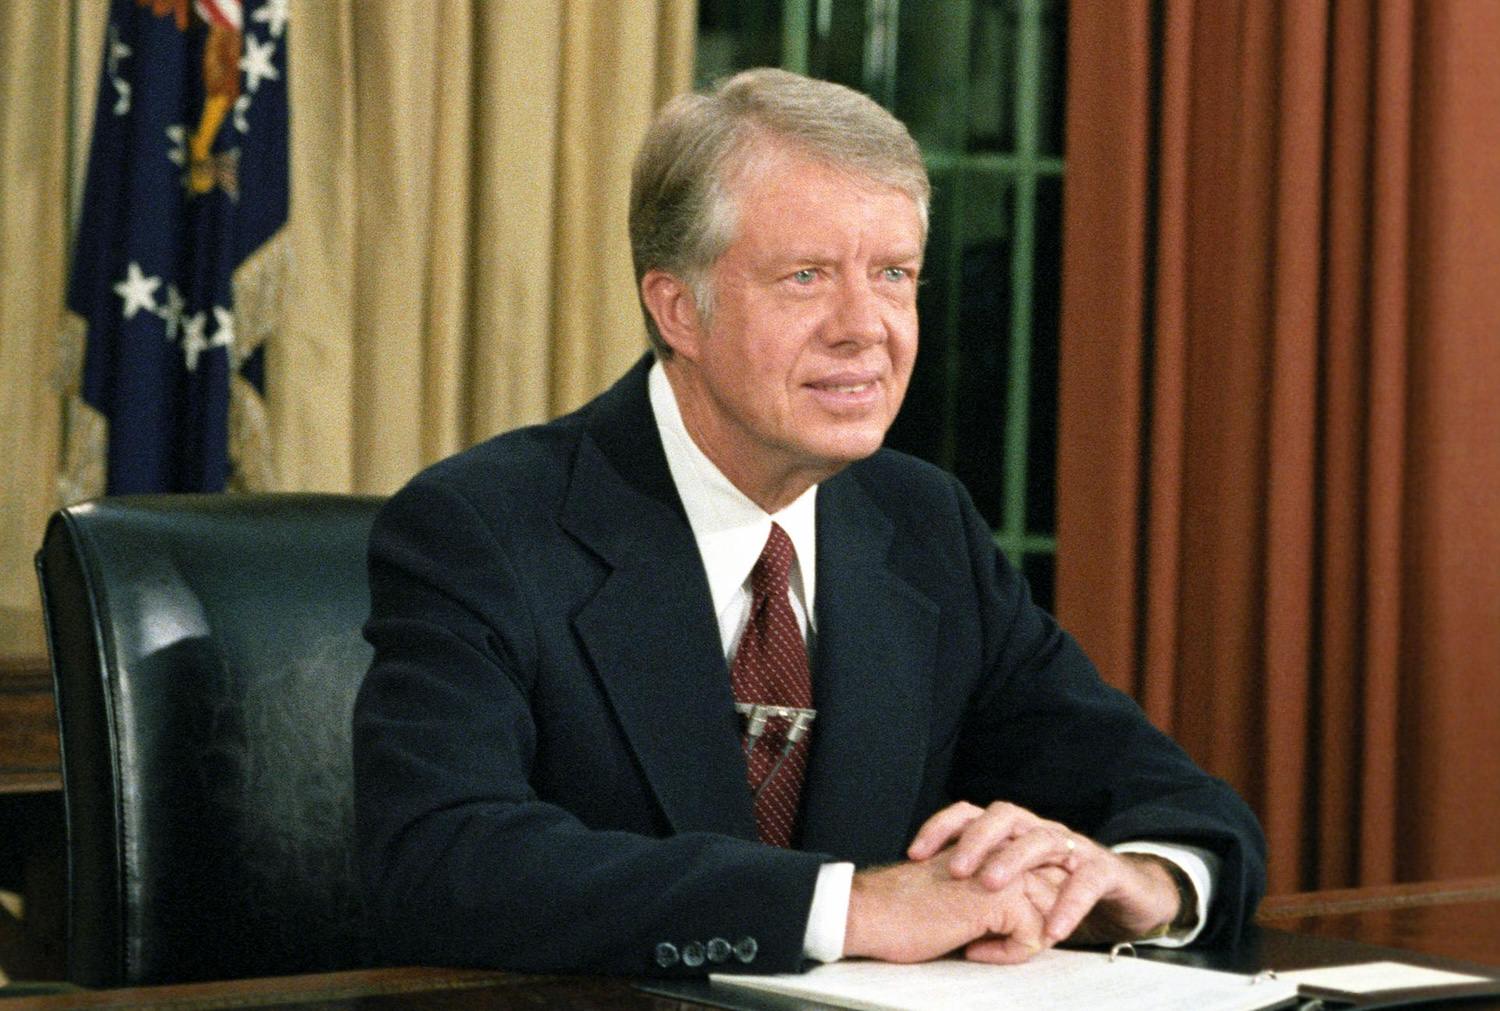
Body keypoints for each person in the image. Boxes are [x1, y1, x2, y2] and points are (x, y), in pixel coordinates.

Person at [352, 67, 1265, 977]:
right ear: (679, 309)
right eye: (806, 277)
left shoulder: (922, 524)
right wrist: (849, 908)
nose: (865, 328)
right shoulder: (482, 527)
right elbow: (443, 861)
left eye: (893, 274)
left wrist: (1141, 878)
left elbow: (1170, 798)